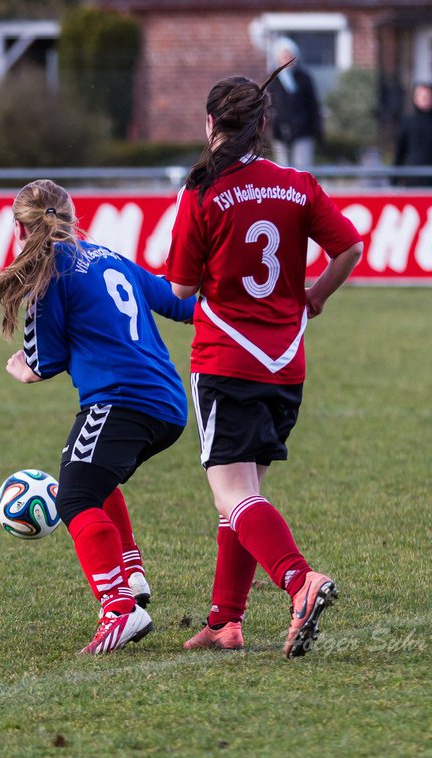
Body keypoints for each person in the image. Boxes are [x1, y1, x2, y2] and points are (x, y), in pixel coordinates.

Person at [0, 179, 195, 655]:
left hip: (121, 401)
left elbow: (45, 361)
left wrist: (23, 368)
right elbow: (178, 302)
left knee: (76, 498)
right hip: (168, 403)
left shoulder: (47, 276)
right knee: (96, 481)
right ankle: (131, 574)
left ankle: (119, 609)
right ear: (73, 216)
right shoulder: (108, 255)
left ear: (20, 227)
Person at [166, 71, 363, 657]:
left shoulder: (200, 192)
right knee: (245, 498)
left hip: (227, 358)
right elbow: (349, 247)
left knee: (233, 497)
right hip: (285, 363)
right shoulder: (298, 183)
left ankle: (300, 581)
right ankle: (226, 620)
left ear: (209, 125)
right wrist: (318, 294)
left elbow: (179, 287)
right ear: (264, 127)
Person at [268, 38, 322, 170]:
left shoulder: (304, 78)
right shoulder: (273, 81)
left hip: (303, 131)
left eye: (289, 56)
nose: (287, 59)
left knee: (302, 168)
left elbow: (313, 105)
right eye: (283, 56)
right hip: (279, 131)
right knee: (281, 169)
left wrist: (316, 129)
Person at [393, 82, 432, 187]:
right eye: (421, 96)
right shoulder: (407, 122)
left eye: (427, 96)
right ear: (415, 98)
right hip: (414, 180)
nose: (424, 99)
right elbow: (399, 151)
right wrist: (394, 178)